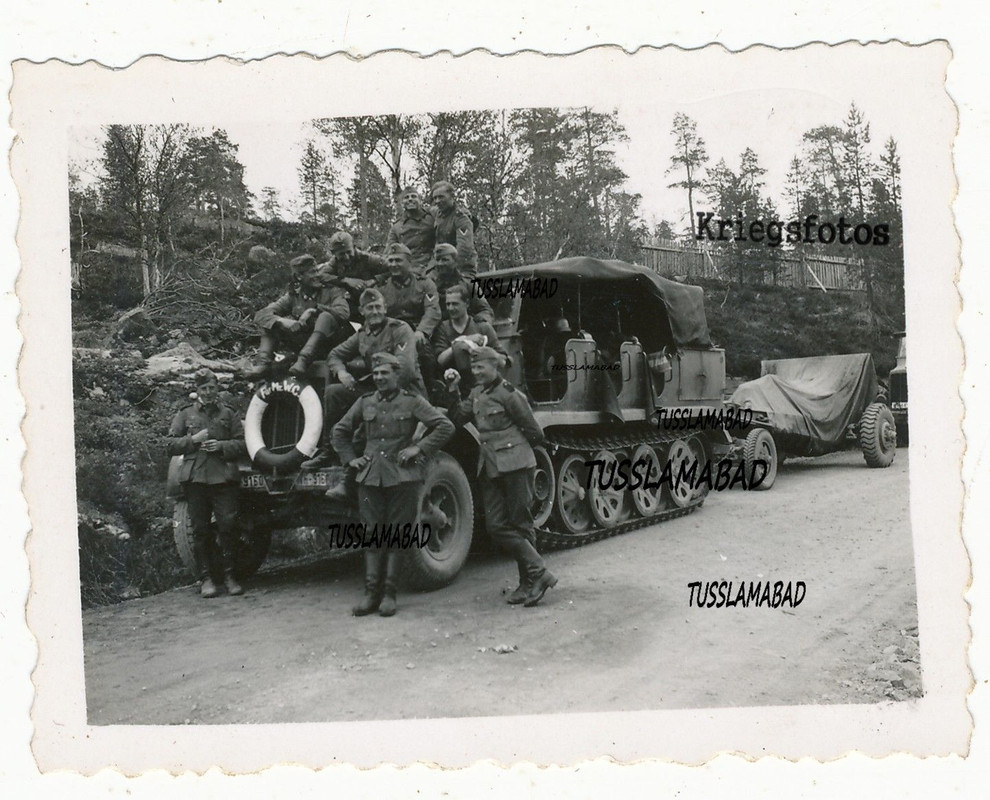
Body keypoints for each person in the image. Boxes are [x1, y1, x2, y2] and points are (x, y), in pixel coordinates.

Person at [332, 352, 455, 616]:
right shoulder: (364, 402)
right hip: (370, 477)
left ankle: (389, 594)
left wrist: (418, 449)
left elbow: (444, 426)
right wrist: (350, 460)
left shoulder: (412, 401)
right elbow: (339, 431)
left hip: (403, 477)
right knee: (372, 535)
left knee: (397, 536)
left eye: (384, 373)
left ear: (396, 375)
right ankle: (370, 594)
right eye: (375, 374)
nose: (379, 378)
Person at [446, 347, 558, 607]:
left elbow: (533, 431)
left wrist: (516, 451)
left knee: (521, 523)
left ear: (494, 367)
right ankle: (539, 572)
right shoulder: (476, 393)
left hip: (517, 465)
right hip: (491, 467)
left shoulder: (509, 393)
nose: (476, 372)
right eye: (473, 368)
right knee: (496, 526)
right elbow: (458, 417)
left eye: (480, 367)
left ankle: (527, 584)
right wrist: (453, 388)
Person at [301, 287, 424, 469]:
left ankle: (351, 466)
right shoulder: (362, 335)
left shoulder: (400, 329)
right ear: (362, 312)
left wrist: (373, 392)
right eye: (369, 308)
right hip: (376, 388)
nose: (374, 312)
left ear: (385, 308)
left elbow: (405, 371)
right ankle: (329, 450)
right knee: (333, 392)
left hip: (405, 391)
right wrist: (342, 372)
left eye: (377, 307)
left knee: (364, 417)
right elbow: (334, 355)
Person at [166, 369, 248, 598]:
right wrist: (193, 440)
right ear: (197, 390)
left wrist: (221, 446)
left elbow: (242, 444)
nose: (209, 392)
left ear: (217, 388)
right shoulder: (185, 414)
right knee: (200, 530)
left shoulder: (228, 414)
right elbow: (170, 445)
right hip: (196, 479)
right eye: (204, 388)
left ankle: (231, 576)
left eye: (212, 387)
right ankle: (206, 579)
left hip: (223, 478)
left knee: (228, 527)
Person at [248, 254, 351, 378]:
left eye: (317, 271)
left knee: (325, 317)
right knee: (270, 323)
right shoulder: (294, 296)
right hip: (307, 343)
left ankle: (303, 360)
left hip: (331, 344)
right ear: (299, 277)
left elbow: (344, 313)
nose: (317, 275)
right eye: (312, 272)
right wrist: (281, 321)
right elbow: (261, 314)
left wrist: (315, 310)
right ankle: (263, 364)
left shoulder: (332, 290)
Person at [376, 242, 442, 394]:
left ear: (409, 262)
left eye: (398, 260)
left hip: (417, 333)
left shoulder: (424, 283)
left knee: (426, 358)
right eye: (391, 260)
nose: (393, 264)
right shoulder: (381, 286)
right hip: (391, 335)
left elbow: (433, 310)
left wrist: (422, 332)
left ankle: (429, 396)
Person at [433, 282, 505, 398]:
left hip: (484, 389)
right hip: (455, 387)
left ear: (466, 304)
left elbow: (502, 360)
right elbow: (440, 360)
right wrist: (461, 342)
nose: (451, 308)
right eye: (448, 304)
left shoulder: (482, 327)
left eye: (455, 304)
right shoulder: (443, 328)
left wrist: (482, 351)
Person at [428, 242, 494, 323]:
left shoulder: (468, 284)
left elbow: (486, 311)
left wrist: (476, 323)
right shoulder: (429, 285)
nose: (440, 263)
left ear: (455, 261)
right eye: (438, 260)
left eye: (445, 260)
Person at [430, 180, 478, 278]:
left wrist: (452, 270)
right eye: (435, 198)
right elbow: (424, 211)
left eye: (441, 197)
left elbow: (464, 250)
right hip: (442, 266)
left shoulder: (461, 218)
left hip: (461, 269)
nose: (437, 201)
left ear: (452, 197)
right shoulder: (437, 213)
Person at [385, 186, 436, 270]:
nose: (410, 199)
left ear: (420, 200)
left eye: (413, 196)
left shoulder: (431, 218)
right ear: (402, 202)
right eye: (406, 197)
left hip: (430, 265)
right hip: (407, 267)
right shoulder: (397, 226)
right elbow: (389, 250)